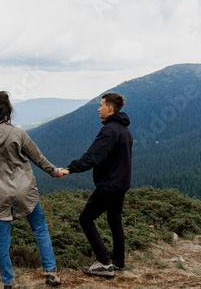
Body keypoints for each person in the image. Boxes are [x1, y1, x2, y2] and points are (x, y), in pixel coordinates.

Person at [0, 91, 65, 288]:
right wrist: (55, 172)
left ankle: (8, 282)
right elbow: (37, 158)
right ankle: (50, 273)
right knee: (40, 228)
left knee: (2, 241)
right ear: (7, 112)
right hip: (24, 190)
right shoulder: (17, 133)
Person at [62, 92, 133, 278]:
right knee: (115, 221)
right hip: (122, 184)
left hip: (109, 185)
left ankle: (103, 263)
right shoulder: (124, 129)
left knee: (86, 219)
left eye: (101, 105)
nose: (98, 109)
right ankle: (119, 263)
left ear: (110, 108)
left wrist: (70, 168)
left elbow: (93, 156)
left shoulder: (109, 130)